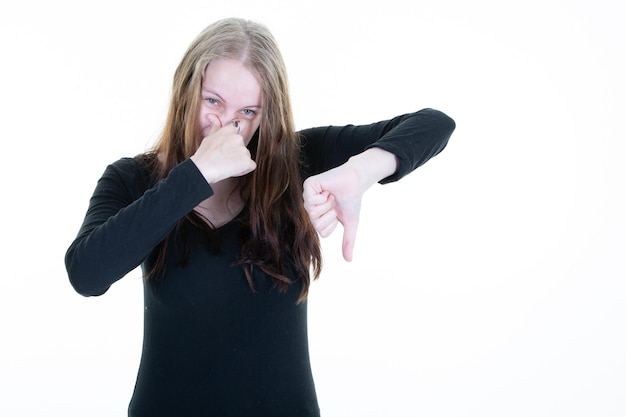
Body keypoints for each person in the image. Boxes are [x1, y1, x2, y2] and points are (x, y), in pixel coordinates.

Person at [65, 17, 455, 417]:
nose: (227, 125)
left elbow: (435, 125)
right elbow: (87, 275)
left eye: (248, 111)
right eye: (213, 101)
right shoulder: (133, 179)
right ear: (187, 93)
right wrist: (195, 175)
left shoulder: (298, 159)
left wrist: (359, 173)